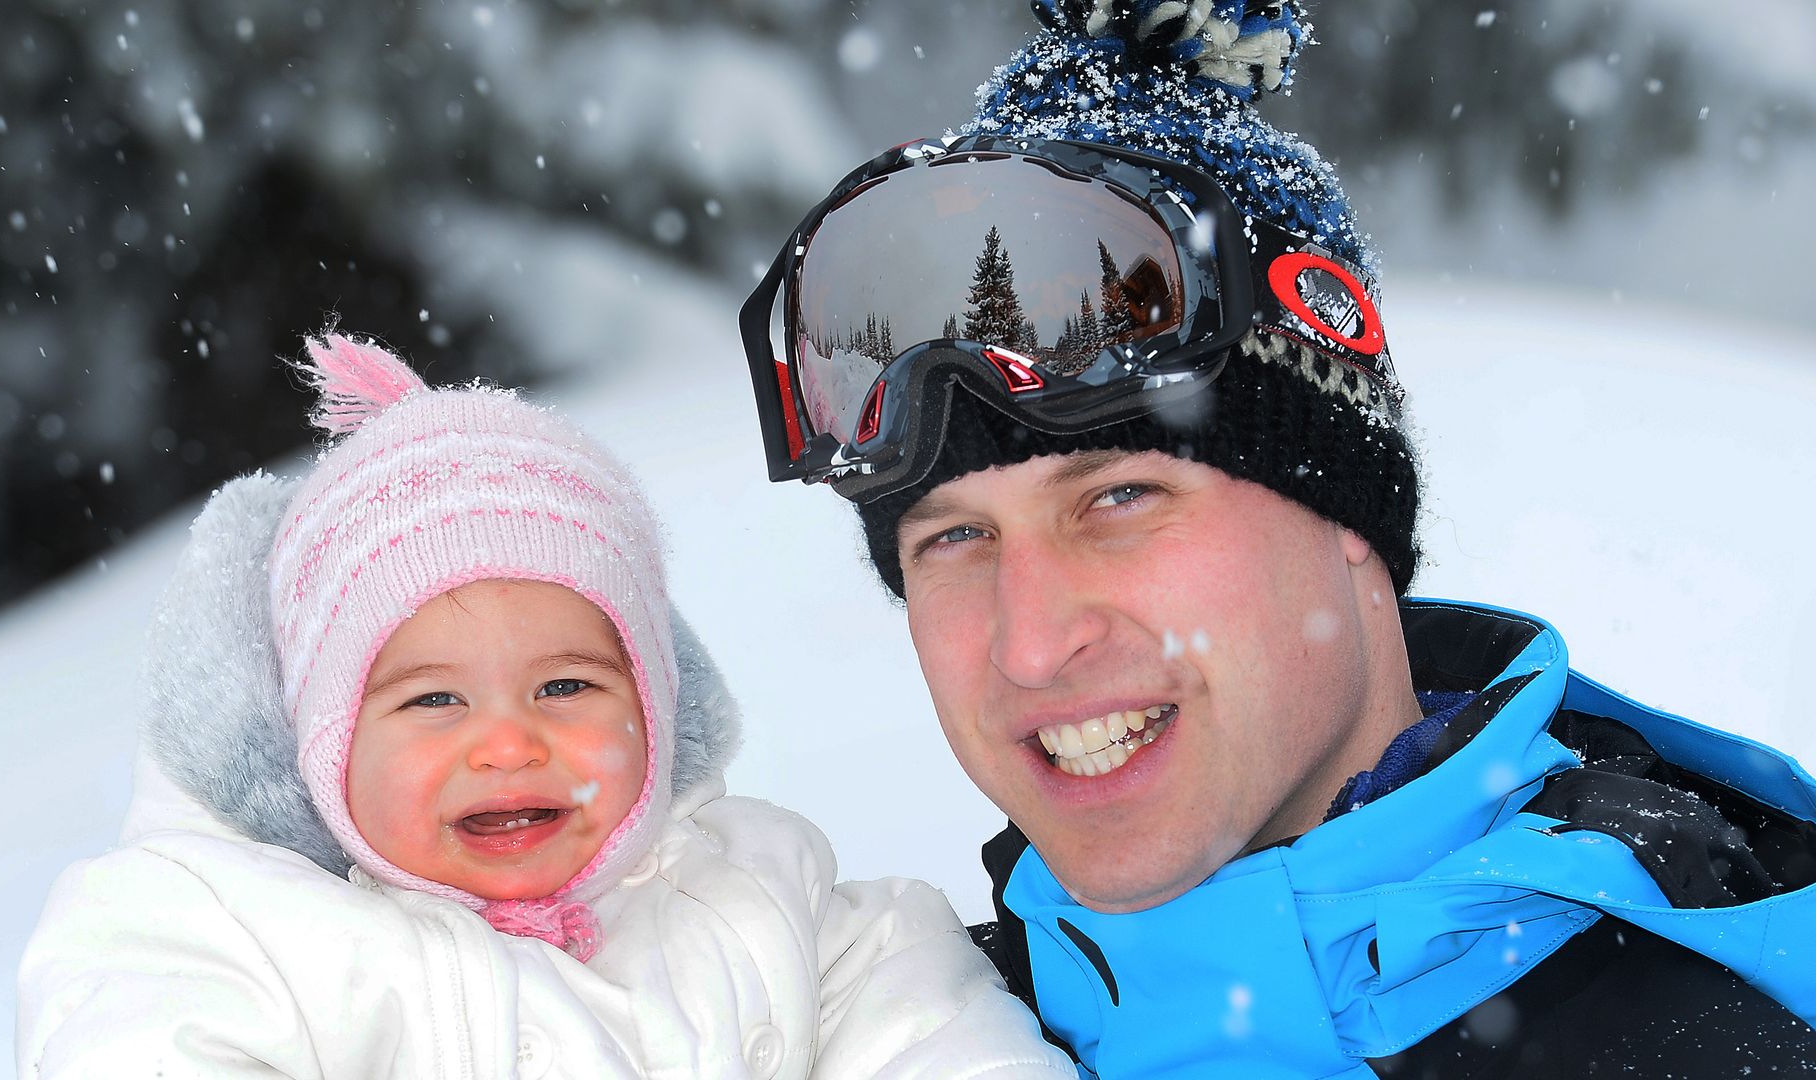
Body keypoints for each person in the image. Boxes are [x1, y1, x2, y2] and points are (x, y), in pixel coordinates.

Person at [738, 2, 1816, 1076]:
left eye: (1117, 499)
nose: (1029, 644)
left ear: (1346, 513)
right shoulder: (909, 1037)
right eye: (954, 537)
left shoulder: (1708, 1049)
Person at [17, 334, 1073, 1078]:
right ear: (324, 738)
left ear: (653, 710)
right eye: (433, 700)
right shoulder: (222, 930)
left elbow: (925, 1030)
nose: (509, 742)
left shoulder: (757, 899)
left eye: (566, 686)